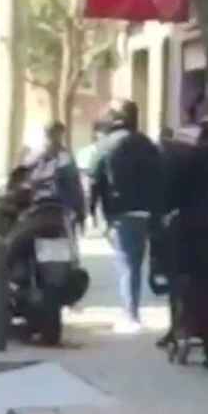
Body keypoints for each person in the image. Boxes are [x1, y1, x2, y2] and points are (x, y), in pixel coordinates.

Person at [90, 99, 165, 334]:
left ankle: (130, 314)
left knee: (126, 264)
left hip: (120, 212)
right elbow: (161, 177)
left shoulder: (105, 146)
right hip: (147, 212)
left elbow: (94, 180)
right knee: (135, 262)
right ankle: (132, 310)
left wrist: (92, 212)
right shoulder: (148, 145)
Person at [161, 119, 208, 369]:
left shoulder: (189, 159)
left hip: (192, 234)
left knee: (197, 290)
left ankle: (203, 341)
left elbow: (171, 196)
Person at [24, 122, 87, 229]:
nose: (56, 138)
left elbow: (75, 183)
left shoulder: (65, 156)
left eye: (58, 135)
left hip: (62, 206)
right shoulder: (36, 155)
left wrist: (80, 210)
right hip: (41, 205)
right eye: (53, 134)